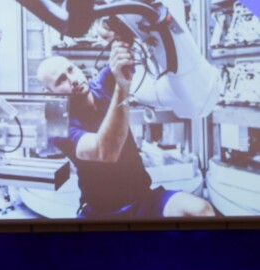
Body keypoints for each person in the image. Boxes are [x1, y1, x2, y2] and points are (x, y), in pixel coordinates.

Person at [36, 39, 215, 218]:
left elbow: (130, 42)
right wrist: (122, 86)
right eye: (61, 80)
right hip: (99, 214)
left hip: (143, 200)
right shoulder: (59, 126)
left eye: (71, 70)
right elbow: (105, 152)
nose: (73, 80)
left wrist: (117, 35)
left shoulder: (104, 82)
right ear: (49, 93)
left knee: (201, 210)